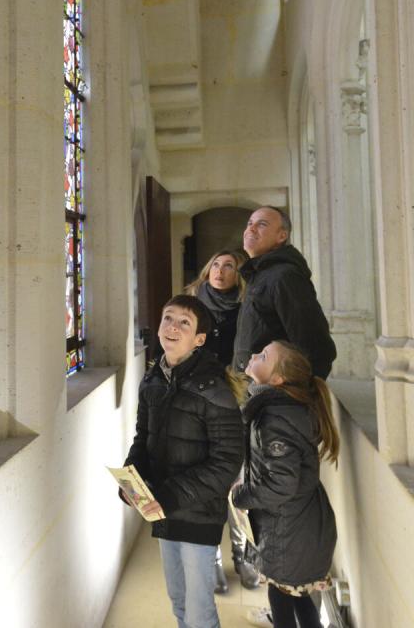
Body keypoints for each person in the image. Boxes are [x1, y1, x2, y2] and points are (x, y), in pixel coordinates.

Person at [122, 294, 244, 628]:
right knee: (178, 600)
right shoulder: (153, 378)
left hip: (197, 514)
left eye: (184, 323)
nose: (172, 327)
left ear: (199, 339)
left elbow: (227, 462)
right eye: (168, 318)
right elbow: (143, 437)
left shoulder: (214, 389)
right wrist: (132, 480)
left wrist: (171, 495)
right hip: (164, 509)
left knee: (199, 610)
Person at [231, 340, 338, 628]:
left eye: (264, 355)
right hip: (298, 525)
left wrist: (240, 495)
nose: (254, 355)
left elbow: (280, 484)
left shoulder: (275, 417)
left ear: (277, 379)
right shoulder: (281, 408)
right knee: (298, 598)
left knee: (283, 602)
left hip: (288, 530)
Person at [186, 250, 260, 593]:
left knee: (238, 481)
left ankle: (243, 553)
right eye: (215, 263)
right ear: (206, 270)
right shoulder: (190, 305)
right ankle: (213, 557)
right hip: (199, 404)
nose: (220, 269)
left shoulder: (247, 309)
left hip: (237, 402)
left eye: (228, 265)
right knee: (207, 483)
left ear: (238, 275)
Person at [232, 206, 337, 379]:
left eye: (262, 224)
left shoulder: (284, 277)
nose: (250, 229)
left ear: (282, 236)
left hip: (273, 389)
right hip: (255, 385)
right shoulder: (260, 274)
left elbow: (317, 346)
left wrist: (301, 394)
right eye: (250, 223)